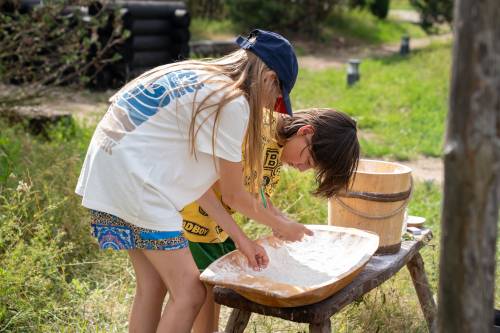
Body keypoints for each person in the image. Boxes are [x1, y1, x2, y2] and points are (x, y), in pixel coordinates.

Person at [75, 29, 312, 333]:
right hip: (136, 180)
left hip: (107, 169)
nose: (274, 106)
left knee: (153, 285)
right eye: (278, 96)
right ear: (268, 77)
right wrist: (282, 226)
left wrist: (241, 239)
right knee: (190, 293)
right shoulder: (233, 102)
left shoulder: (198, 75)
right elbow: (235, 195)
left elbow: (199, 186)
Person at [184, 107, 360, 333]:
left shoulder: (278, 140)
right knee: (199, 299)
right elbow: (235, 194)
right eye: (307, 160)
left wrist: (280, 218)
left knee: (208, 298)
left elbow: (257, 191)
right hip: (195, 219)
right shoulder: (260, 133)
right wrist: (280, 225)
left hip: (215, 224)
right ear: (305, 131)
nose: (302, 169)